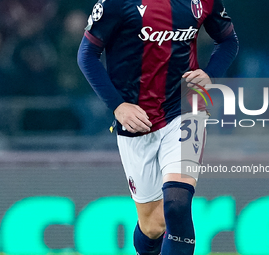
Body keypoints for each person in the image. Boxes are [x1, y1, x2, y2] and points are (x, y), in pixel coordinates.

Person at [77, 0, 238, 253]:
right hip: (137, 119)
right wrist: (118, 106)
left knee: (177, 204)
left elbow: (228, 41)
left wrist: (211, 74)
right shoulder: (116, 4)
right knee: (153, 225)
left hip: (187, 108)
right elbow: (87, 55)